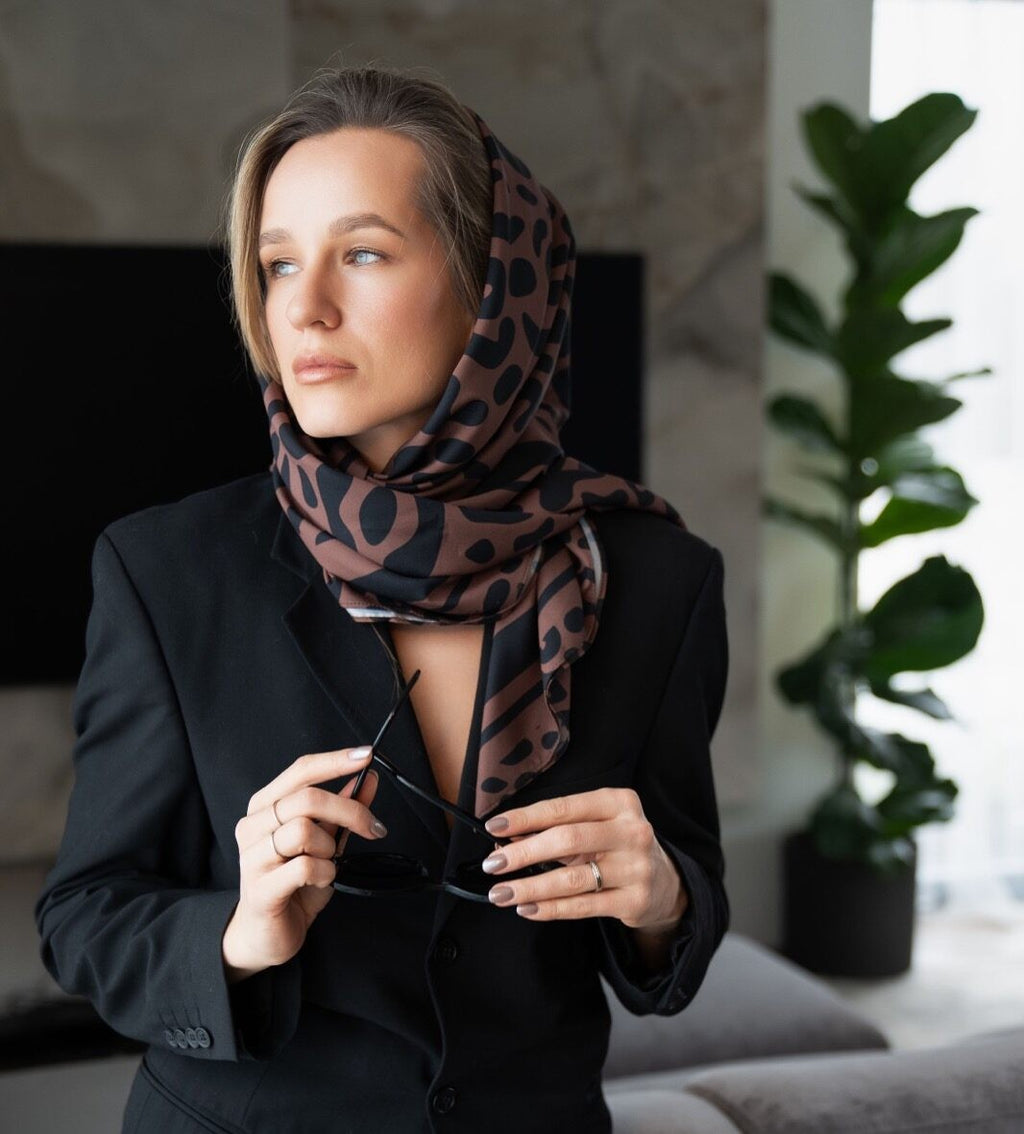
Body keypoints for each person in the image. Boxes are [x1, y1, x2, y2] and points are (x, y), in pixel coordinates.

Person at [34, 62, 731, 1132]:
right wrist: (243, 930)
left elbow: (674, 930)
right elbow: (85, 916)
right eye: (277, 264)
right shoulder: (167, 569)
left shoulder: (655, 579)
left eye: (361, 253)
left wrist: (661, 896)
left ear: (493, 287)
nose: (303, 308)